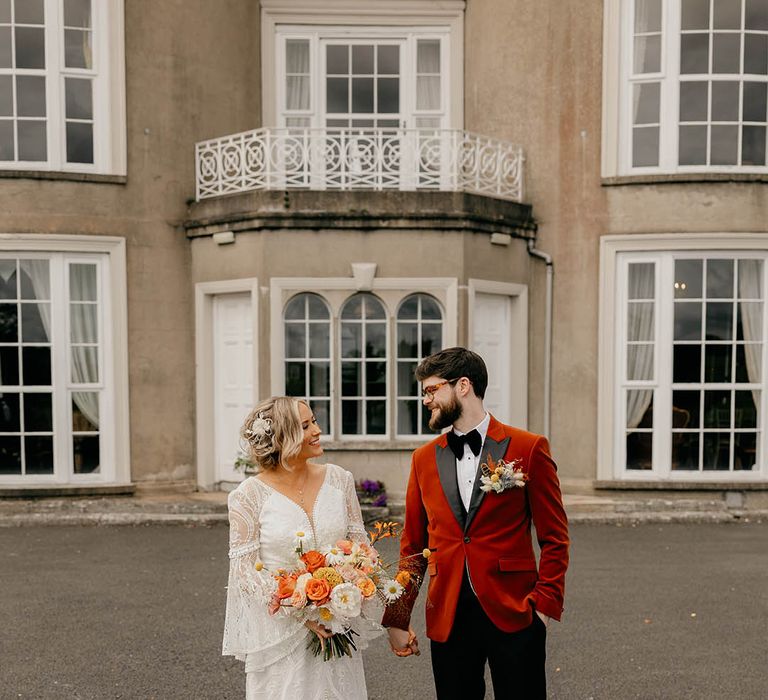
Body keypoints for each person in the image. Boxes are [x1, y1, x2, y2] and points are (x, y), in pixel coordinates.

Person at [383, 347, 569, 699]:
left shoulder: (528, 448)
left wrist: (543, 608)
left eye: (431, 389)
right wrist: (397, 616)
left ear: (463, 386)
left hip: (515, 612)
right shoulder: (423, 459)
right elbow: (412, 547)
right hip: (449, 614)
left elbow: (555, 538)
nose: (425, 399)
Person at [223, 396, 379, 700]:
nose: (317, 430)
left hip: (337, 626)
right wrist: (301, 612)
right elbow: (245, 572)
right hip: (282, 637)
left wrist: (345, 595)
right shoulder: (247, 497)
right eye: (305, 426)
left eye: (314, 421)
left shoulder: (340, 480)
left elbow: (361, 548)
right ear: (283, 437)